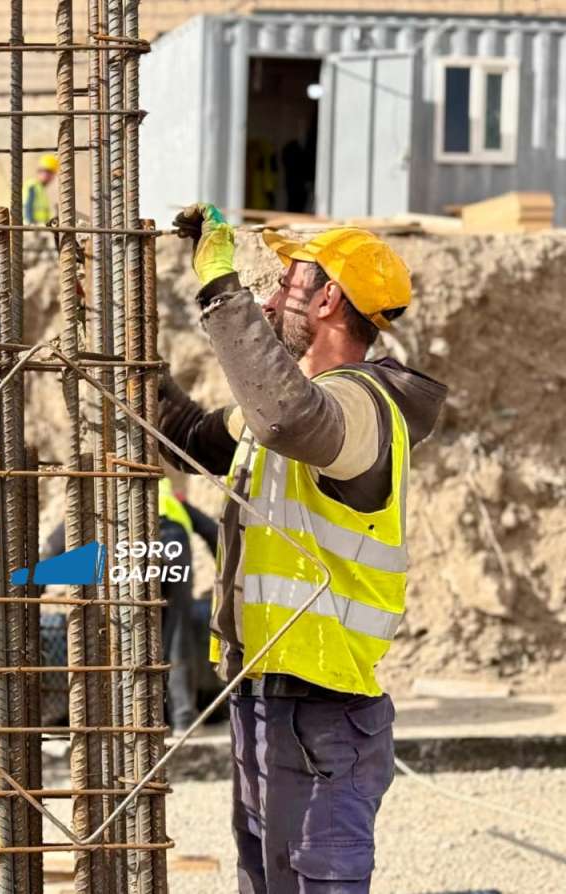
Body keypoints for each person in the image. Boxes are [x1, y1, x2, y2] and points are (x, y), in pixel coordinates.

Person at [159, 205, 447, 893]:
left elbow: (288, 418)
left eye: (288, 283)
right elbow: (191, 434)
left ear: (327, 300)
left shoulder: (361, 407)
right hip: (267, 698)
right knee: (265, 880)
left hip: (323, 711)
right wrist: (116, 326)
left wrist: (222, 290)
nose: (270, 298)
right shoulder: (301, 410)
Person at [156, 477, 215, 735]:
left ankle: (137, 720)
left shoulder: (111, 490)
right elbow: (212, 530)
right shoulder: (169, 494)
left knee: (132, 629)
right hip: (173, 543)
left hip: (133, 546)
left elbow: (62, 537)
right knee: (178, 631)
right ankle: (183, 719)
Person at [22, 153, 58, 226]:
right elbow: (28, 206)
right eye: (48, 172)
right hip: (32, 226)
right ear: (40, 172)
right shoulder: (33, 185)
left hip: (39, 226)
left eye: (52, 174)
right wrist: (30, 223)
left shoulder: (40, 188)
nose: (51, 177)